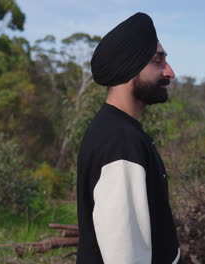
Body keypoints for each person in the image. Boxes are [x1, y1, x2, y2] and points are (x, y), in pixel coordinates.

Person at [76, 12, 181, 264]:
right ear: (129, 67)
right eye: (158, 61)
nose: (170, 72)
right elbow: (124, 256)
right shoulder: (120, 143)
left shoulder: (121, 131)